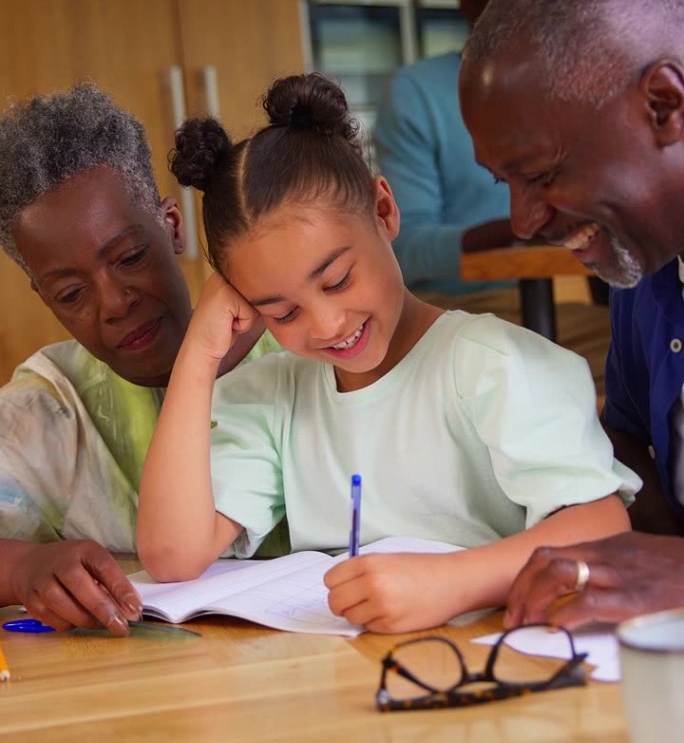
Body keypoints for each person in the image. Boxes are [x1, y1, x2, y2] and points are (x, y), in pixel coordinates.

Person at [135, 72, 639, 634]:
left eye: (337, 279)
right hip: (350, 675)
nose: (327, 325)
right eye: (282, 313)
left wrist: (451, 583)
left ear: (384, 210)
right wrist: (200, 354)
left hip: (492, 662)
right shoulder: (273, 397)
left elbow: (602, 524)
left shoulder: (488, 364)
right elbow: (171, 555)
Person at [0, 84, 281, 634]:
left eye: (129, 257)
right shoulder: (50, 407)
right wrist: (21, 568)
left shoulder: (307, 351)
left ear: (173, 227)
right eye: (70, 294)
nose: (114, 303)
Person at [458, 0, 684, 627]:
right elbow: (634, 443)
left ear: (665, 105)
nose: (523, 221)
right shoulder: (644, 264)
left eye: (542, 174)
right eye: (506, 182)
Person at [373, 0, 514, 300]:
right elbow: (403, 247)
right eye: (507, 1)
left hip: (564, 292)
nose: (530, 14)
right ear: (467, 4)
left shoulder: (564, 83)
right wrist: (522, 230)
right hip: (464, 304)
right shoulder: (417, 92)